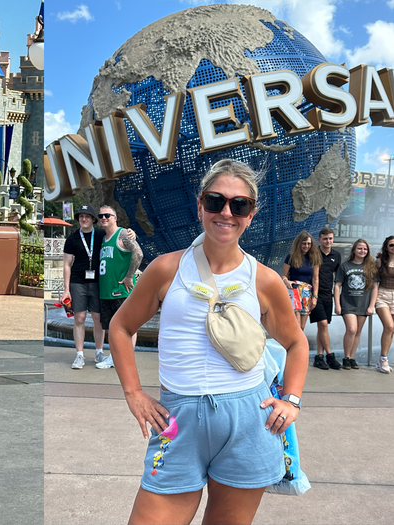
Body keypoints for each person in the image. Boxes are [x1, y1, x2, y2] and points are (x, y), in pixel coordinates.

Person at [108, 159, 308, 525]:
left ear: (252, 213)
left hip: (248, 421)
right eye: (216, 201)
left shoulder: (263, 280)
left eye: (239, 204)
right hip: (178, 419)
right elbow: (120, 327)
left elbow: (297, 343)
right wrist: (133, 392)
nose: (226, 212)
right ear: (200, 206)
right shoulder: (167, 269)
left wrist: (291, 400)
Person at [95, 205, 144, 370]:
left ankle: (123, 358)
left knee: (127, 325)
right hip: (107, 291)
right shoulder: (104, 238)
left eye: (107, 215)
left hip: (120, 290)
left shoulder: (122, 234)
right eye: (101, 216)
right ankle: (116, 357)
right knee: (112, 327)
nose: (104, 218)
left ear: (115, 217)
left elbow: (138, 253)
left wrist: (130, 276)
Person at [62, 205, 106, 368]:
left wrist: (131, 233)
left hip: (97, 282)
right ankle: (79, 355)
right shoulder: (72, 238)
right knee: (79, 318)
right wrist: (66, 289)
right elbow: (67, 264)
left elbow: (118, 236)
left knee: (98, 319)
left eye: (87, 216)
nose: (84, 219)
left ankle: (99, 352)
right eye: (81, 216)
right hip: (78, 281)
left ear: (94, 219)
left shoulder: (101, 234)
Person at [334, 238, 379, 370]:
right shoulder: (345, 266)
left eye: (365, 249)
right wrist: (337, 304)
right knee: (351, 329)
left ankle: (352, 358)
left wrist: (371, 305)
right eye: (359, 248)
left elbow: (375, 287)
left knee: (358, 331)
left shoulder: (371, 267)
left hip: (363, 303)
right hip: (348, 303)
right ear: (354, 249)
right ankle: (346, 357)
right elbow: (337, 286)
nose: (362, 251)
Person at [309, 228, 342, 370]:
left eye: (330, 239)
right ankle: (330, 355)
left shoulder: (337, 255)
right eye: (325, 239)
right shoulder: (313, 253)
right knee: (322, 323)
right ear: (319, 240)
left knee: (323, 327)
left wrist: (338, 299)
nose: (328, 241)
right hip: (314, 295)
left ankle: (319, 357)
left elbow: (338, 278)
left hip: (328, 295)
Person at [282, 230, 321, 330]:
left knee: (302, 327)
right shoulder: (290, 257)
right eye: (304, 243)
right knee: (296, 325)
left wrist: (315, 297)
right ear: (299, 243)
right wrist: (287, 281)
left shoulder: (314, 258)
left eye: (309, 243)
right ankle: (295, 345)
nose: (306, 246)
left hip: (307, 292)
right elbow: (284, 276)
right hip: (294, 291)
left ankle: (297, 345)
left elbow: (315, 278)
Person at [375, 236, 394, 373]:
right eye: (392, 245)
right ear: (387, 247)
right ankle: (383, 359)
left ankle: (381, 360)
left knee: (392, 330)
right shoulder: (380, 261)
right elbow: (374, 280)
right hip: (382, 296)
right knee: (389, 326)